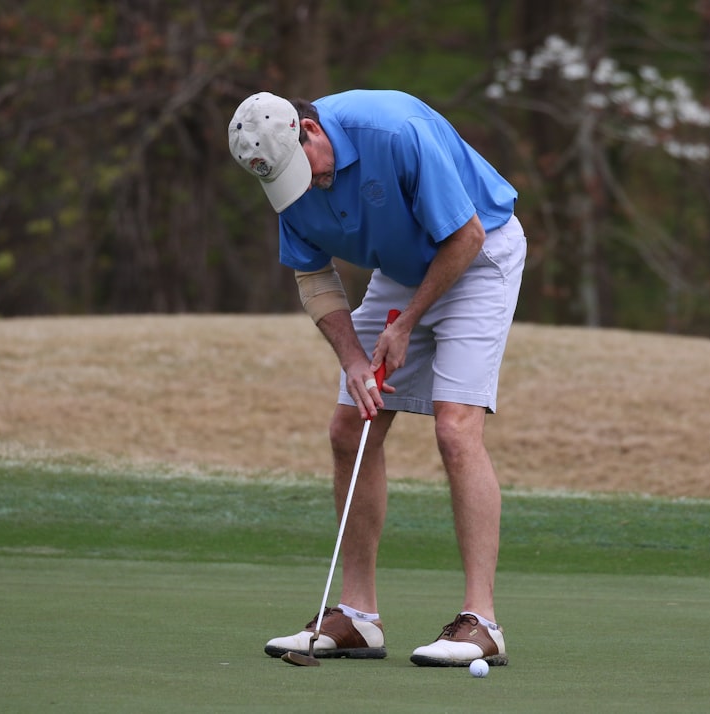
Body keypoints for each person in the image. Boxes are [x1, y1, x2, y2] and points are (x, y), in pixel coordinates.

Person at [227, 89, 525, 667]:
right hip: (403, 268)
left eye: (300, 168)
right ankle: (359, 618)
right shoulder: (290, 187)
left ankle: (482, 621)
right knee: (349, 427)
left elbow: (465, 237)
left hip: (478, 253)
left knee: (455, 428)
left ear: (310, 130)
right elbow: (314, 280)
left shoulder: (393, 131)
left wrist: (407, 323)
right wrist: (354, 359)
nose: (302, 185)